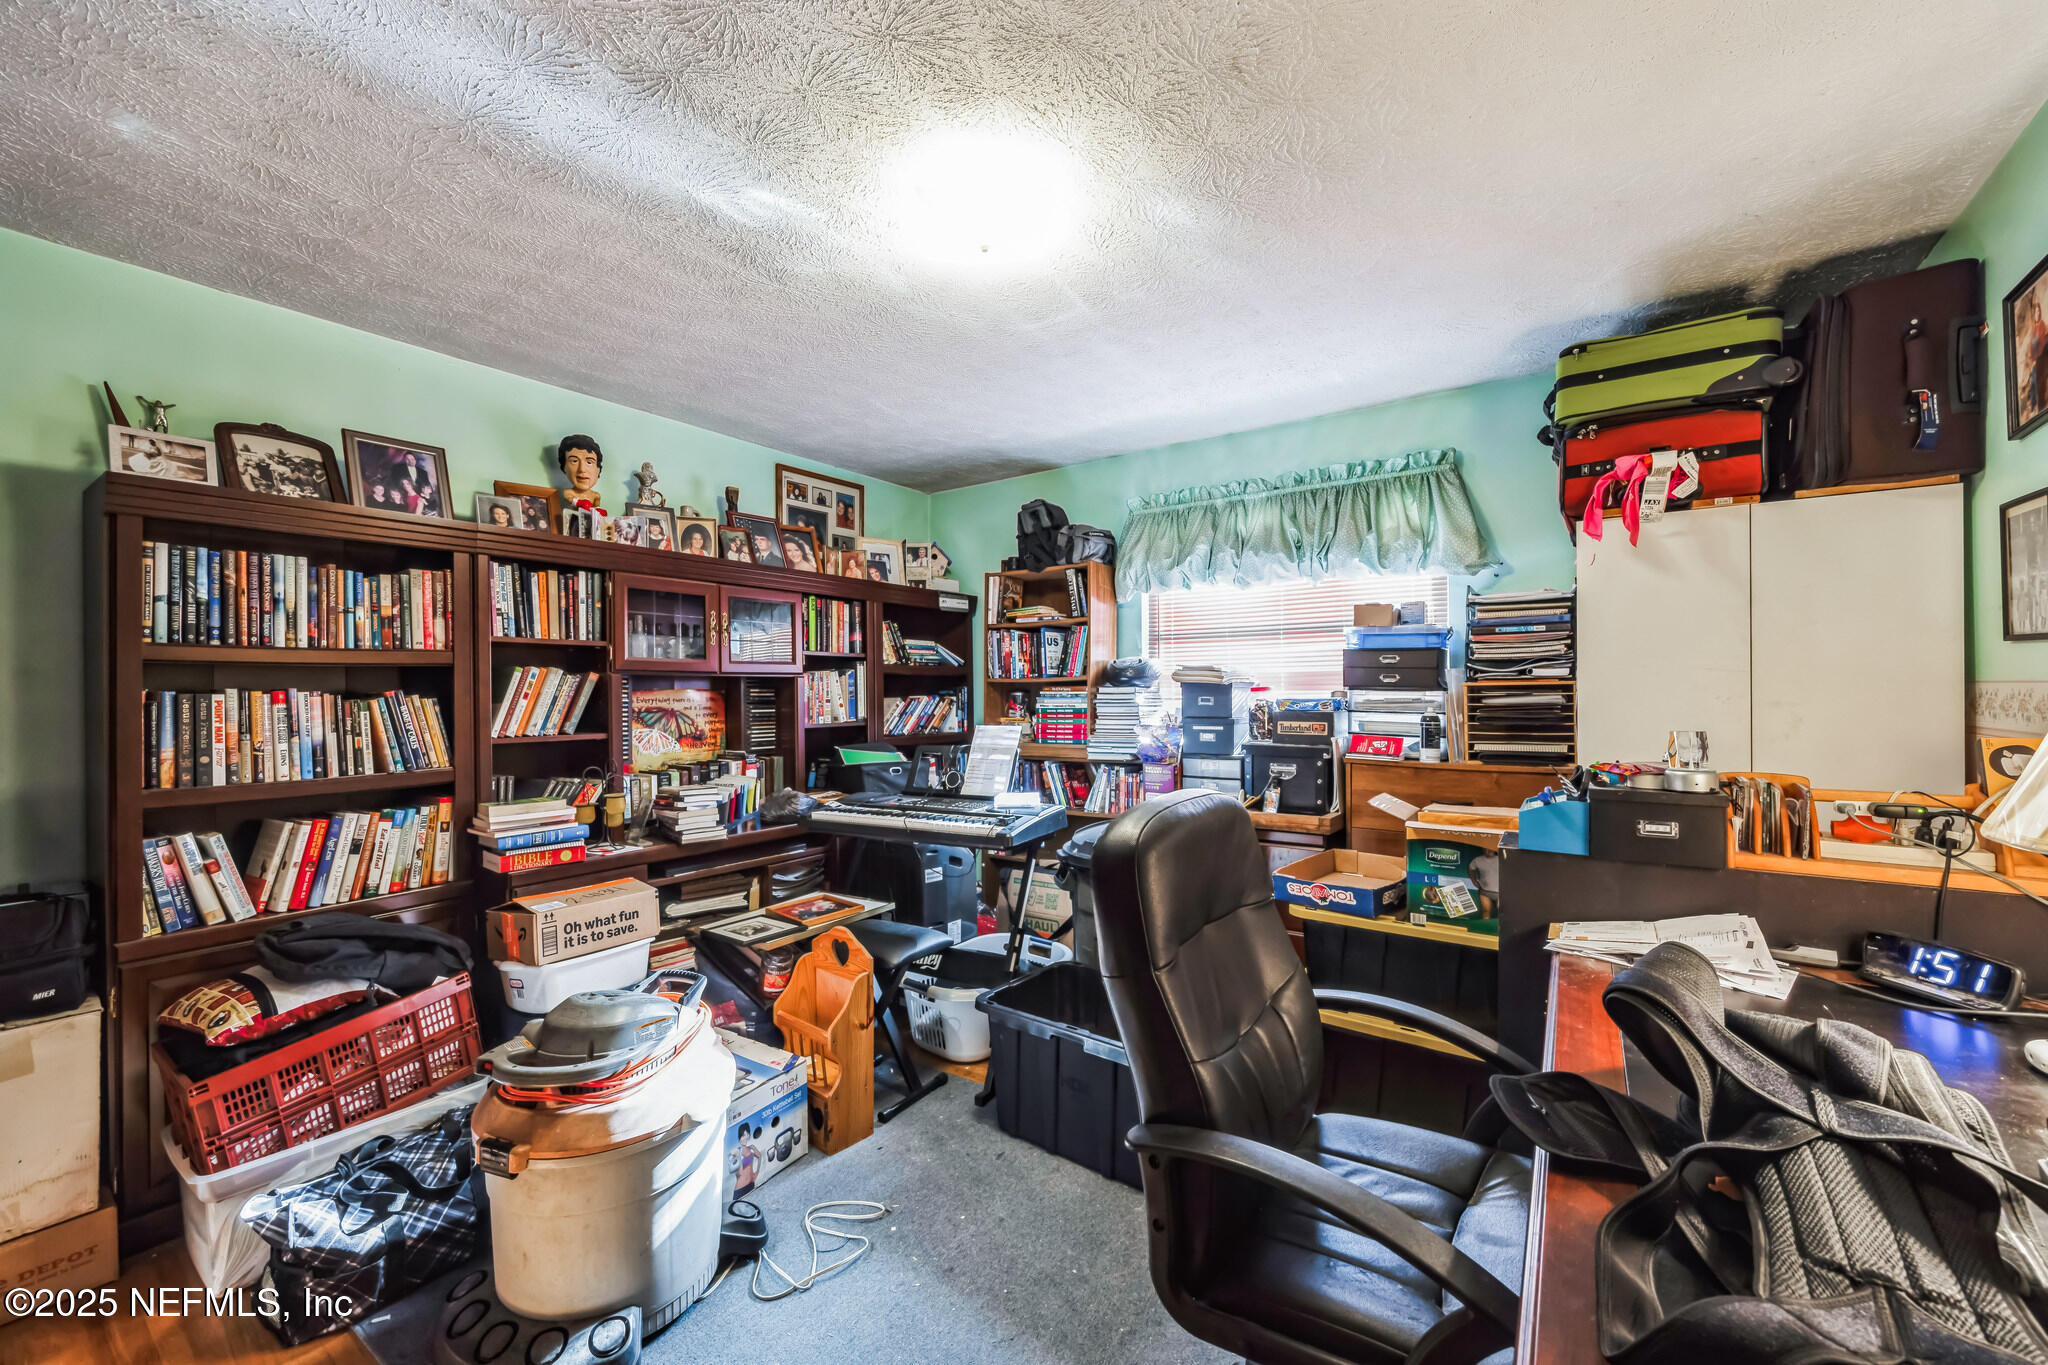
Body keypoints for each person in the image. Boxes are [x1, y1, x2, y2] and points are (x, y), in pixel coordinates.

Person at [556, 433, 603, 510]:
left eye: (589, 462)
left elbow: (597, 509)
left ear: (598, 469)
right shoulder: (568, 493)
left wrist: (599, 512)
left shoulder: (596, 496)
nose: (582, 469)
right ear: (564, 467)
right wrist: (579, 503)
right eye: (574, 461)